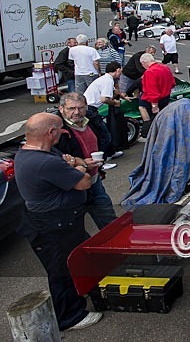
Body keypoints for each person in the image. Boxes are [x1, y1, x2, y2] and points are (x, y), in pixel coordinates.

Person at [14, 112, 103, 331]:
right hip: (54, 226)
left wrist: (74, 164)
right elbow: (84, 182)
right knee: (61, 270)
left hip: (61, 223)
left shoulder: (38, 152)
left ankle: (84, 291)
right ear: (51, 132)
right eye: (61, 129)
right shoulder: (44, 162)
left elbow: (72, 160)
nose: (63, 133)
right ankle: (69, 317)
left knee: (81, 257)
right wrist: (79, 168)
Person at [54, 92, 118, 230]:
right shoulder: (56, 130)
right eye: (71, 108)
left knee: (110, 223)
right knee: (74, 230)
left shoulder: (91, 120)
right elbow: (53, 161)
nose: (77, 112)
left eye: (81, 107)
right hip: (73, 189)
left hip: (94, 182)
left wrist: (99, 168)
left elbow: (104, 140)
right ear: (61, 109)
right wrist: (81, 163)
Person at [138, 53, 176, 136]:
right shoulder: (165, 68)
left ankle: (147, 130)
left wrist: (154, 105)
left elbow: (151, 91)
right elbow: (172, 83)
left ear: (144, 63)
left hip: (153, 100)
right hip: (165, 97)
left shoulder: (149, 72)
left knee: (142, 107)